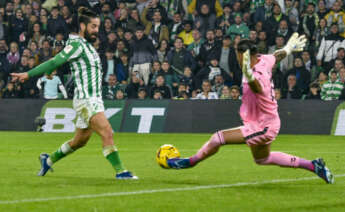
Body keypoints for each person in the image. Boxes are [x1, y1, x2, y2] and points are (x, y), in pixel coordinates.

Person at [166, 34, 334, 184]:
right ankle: (313, 165)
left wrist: (248, 74)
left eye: (238, 55)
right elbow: (277, 56)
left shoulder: (254, 77)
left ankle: (188, 162)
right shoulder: (263, 59)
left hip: (263, 126)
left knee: (218, 138)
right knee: (262, 159)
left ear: (243, 55)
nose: (237, 59)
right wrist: (288, 48)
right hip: (267, 121)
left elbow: (257, 87)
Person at [10, 7, 138, 180]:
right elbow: (55, 60)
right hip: (86, 99)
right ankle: (121, 172)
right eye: (93, 26)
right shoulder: (77, 44)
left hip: (93, 99)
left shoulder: (87, 47)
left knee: (80, 141)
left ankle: (48, 160)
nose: (96, 30)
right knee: (107, 131)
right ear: (83, 26)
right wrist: (28, 74)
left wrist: (54, 67)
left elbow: (60, 62)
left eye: (97, 26)